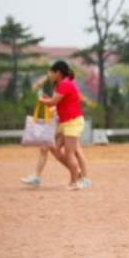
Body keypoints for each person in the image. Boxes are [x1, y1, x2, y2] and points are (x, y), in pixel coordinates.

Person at [38, 61, 88, 190]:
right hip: (66, 122)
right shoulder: (63, 84)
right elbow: (56, 101)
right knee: (53, 147)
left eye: (52, 72)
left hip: (72, 122)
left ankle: (75, 182)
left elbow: (53, 102)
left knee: (70, 153)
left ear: (58, 73)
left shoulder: (64, 84)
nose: (50, 75)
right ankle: (77, 174)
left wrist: (43, 100)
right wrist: (47, 100)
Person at [21, 105, 93, 188]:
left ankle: (84, 178)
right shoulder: (57, 101)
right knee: (45, 149)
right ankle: (37, 177)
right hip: (62, 124)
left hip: (72, 122)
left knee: (75, 151)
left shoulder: (66, 96)